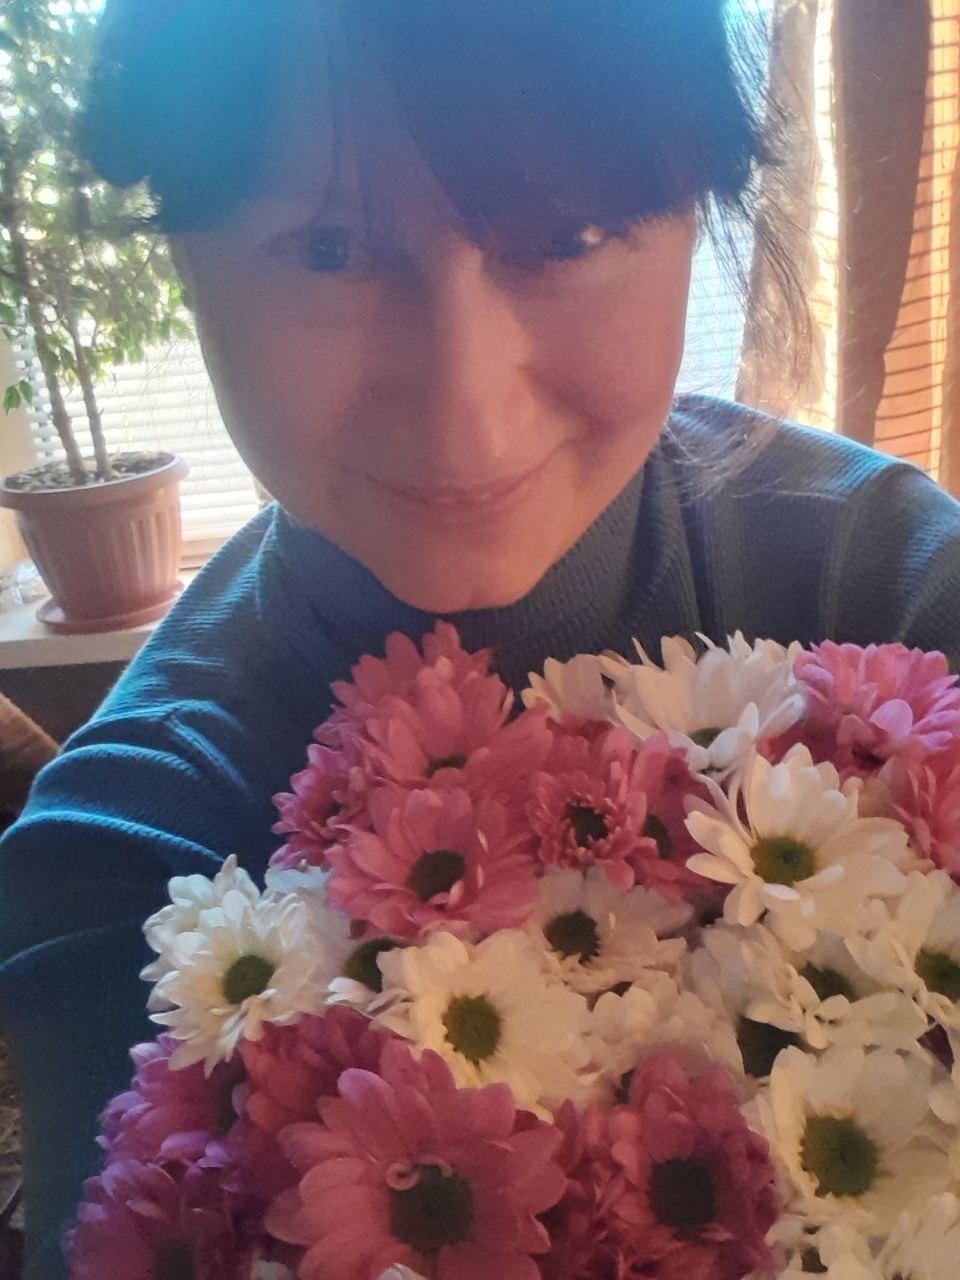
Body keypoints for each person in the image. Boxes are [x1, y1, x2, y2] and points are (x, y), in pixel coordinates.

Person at [3, 2, 960, 1277]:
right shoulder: (135, 852)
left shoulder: (895, 599)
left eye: (567, 235)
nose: (467, 415)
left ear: (700, 212)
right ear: (180, 248)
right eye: (330, 248)